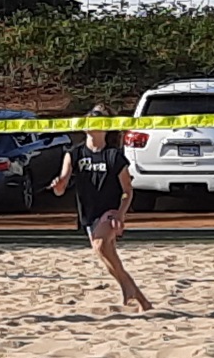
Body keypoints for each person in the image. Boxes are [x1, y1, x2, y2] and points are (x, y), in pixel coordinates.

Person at [49, 103, 152, 312]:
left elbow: (128, 191)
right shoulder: (74, 154)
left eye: (96, 119)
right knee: (107, 257)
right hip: (89, 213)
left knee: (100, 245)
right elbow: (61, 187)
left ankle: (131, 292)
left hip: (110, 211)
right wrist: (58, 185)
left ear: (105, 127)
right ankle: (138, 297)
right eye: (88, 119)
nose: (90, 123)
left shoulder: (114, 157)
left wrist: (120, 214)